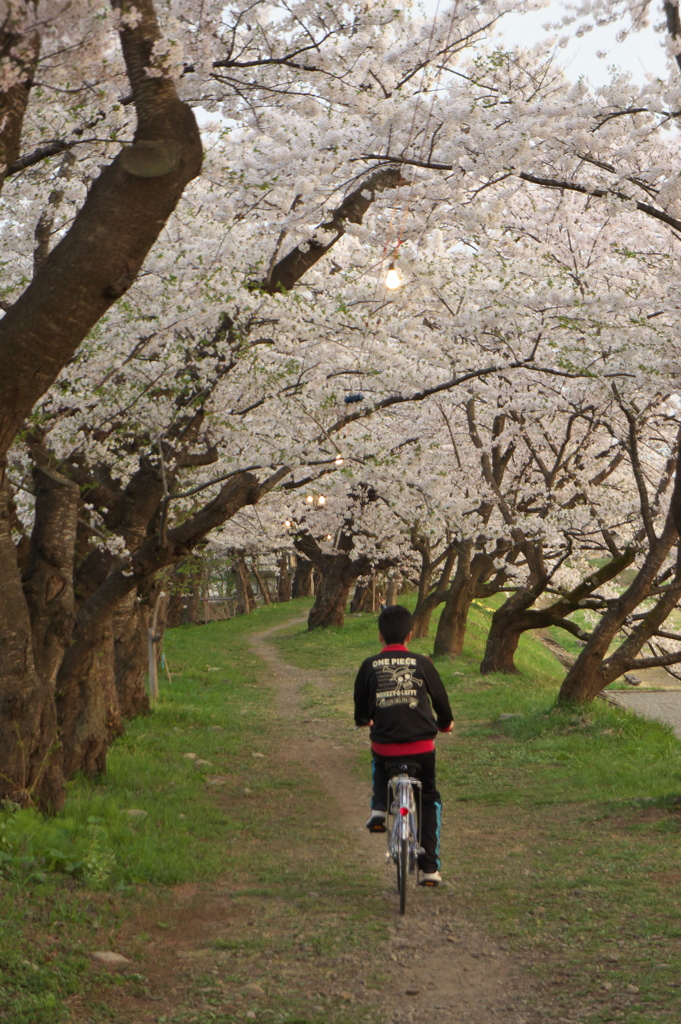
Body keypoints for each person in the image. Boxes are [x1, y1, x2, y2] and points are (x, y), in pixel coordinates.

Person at [353, 604, 454, 886]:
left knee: (379, 761)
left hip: (386, 746)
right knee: (429, 799)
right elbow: (441, 702)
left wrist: (364, 721)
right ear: (410, 635)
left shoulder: (368, 665)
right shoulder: (423, 663)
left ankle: (378, 809)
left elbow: (361, 707)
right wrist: (445, 724)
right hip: (422, 747)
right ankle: (430, 869)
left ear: (379, 636)